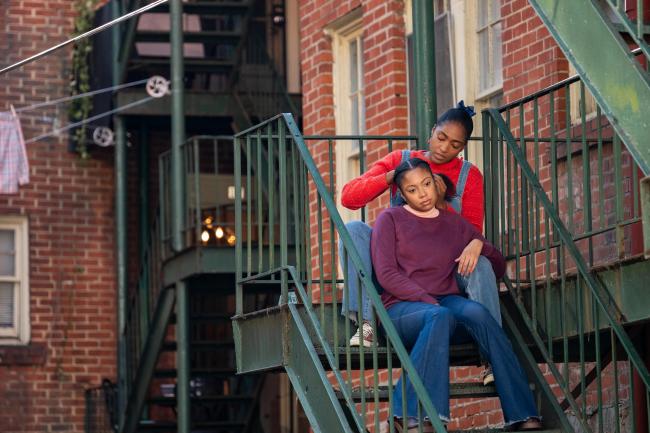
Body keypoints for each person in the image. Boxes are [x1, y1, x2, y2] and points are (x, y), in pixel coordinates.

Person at [371, 157, 541, 432]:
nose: (422, 193)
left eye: (426, 184)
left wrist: (476, 244)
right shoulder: (390, 219)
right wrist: (428, 300)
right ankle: (419, 416)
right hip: (400, 308)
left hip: (444, 306)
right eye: (412, 190)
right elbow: (386, 275)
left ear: (435, 183)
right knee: (437, 316)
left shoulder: (454, 223)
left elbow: (497, 264)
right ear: (402, 194)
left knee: (479, 314)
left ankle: (522, 414)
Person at [339, 101, 500, 385]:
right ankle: (366, 324)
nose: (444, 148)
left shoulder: (468, 176)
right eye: (441, 137)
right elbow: (349, 197)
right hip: (398, 268)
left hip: (447, 271)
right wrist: (393, 176)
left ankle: (492, 358)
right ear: (431, 132)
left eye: (454, 145)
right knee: (353, 229)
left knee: (483, 264)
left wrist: (449, 212)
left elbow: (472, 230)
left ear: (461, 149)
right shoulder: (401, 159)